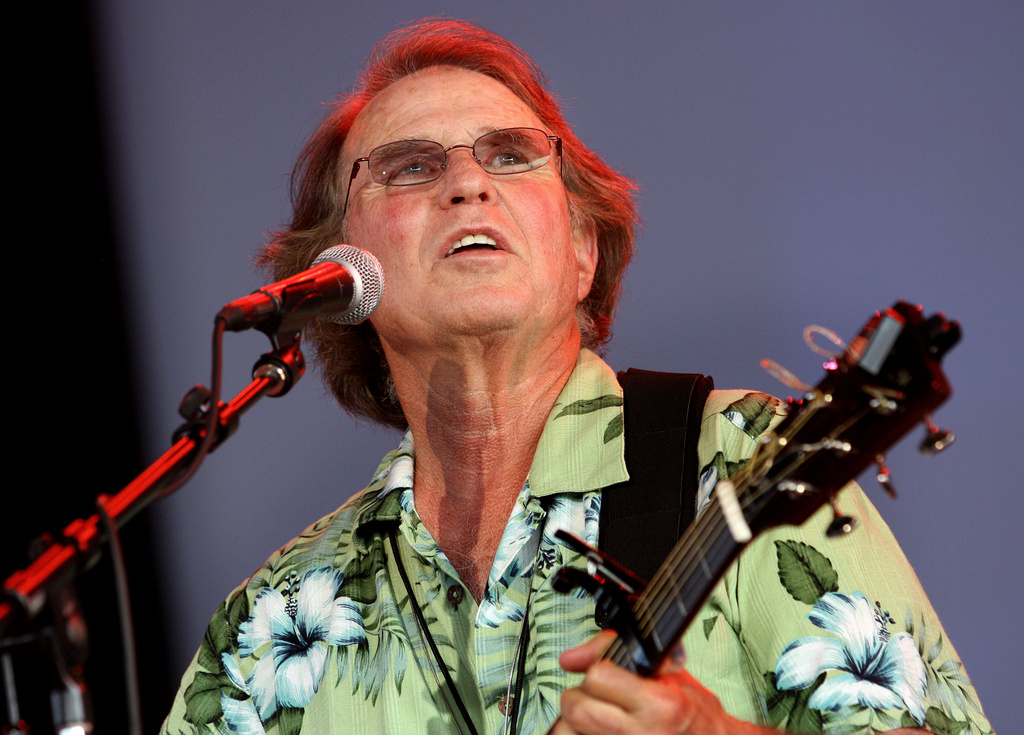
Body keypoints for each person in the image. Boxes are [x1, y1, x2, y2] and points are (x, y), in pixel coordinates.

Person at [162, 19, 991, 735]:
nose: (468, 182)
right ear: (341, 275)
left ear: (582, 252)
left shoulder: (742, 457)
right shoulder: (272, 619)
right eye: (410, 166)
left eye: (511, 155)